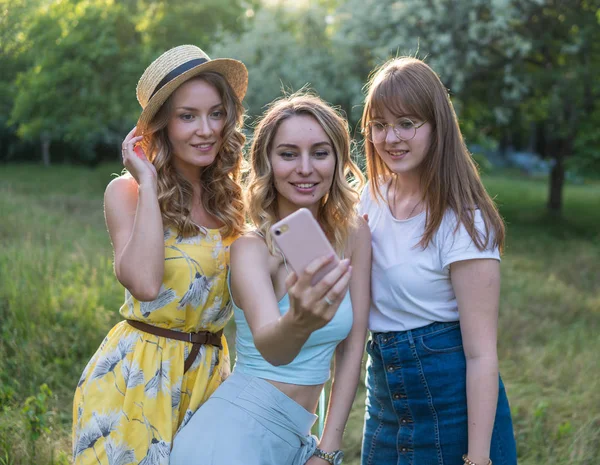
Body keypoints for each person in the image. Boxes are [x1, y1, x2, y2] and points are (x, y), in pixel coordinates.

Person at [171, 92, 372, 465]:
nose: (306, 168)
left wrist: (327, 450)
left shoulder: (354, 235)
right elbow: (272, 348)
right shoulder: (251, 248)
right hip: (232, 439)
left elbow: (352, 346)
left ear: (338, 159)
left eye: (320, 152)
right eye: (288, 154)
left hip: (300, 439)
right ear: (266, 163)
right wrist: (298, 318)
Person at [72, 44, 248, 464]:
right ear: (163, 125)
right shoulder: (127, 192)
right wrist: (149, 183)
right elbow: (146, 284)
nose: (206, 129)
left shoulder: (235, 199)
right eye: (188, 116)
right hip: (136, 378)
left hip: (208, 377)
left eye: (216, 113)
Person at [358, 57, 517, 465]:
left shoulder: (463, 220)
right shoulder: (367, 199)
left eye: (407, 123)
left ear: (437, 126)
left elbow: (482, 353)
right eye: (379, 125)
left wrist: (478, 458)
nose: (390, 137)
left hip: (452, 406)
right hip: (385, 396)